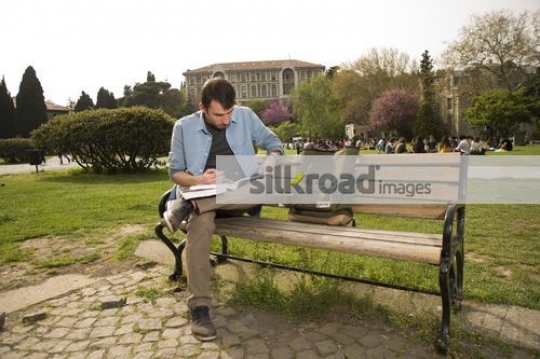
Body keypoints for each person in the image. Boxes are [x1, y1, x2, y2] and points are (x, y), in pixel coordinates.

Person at [161, 78, 284, 342]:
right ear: (202, 107)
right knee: (200, 224)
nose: (226, 120)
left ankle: (186, 206)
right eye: (219, 114)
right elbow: (176, 174)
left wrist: (270, 161)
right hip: (204, 193)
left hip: (240, 196)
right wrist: (198, 180)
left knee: (254, 188)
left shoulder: (246, 116)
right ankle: (200, 308)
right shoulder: (183, 127)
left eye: (229, 113)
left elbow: (275, 144)